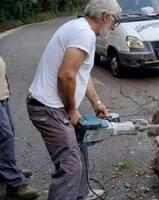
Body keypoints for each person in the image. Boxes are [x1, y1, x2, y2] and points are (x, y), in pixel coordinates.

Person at [26, 0, 122, 199]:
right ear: (105, 16)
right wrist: (71, 110)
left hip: (53, 107)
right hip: (48, 108)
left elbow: (81, 74)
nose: (113, 26)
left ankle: (81, 193)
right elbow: (67, 75)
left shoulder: (79, 28)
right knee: (70, 165)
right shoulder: (83, 34)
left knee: (80, 145)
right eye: (114, 21)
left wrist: (96, 103)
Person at [0, 55, 39, 199]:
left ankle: (8, 170)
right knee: (5, 136)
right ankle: (14, 183)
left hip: (2, 95)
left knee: (8, 133)